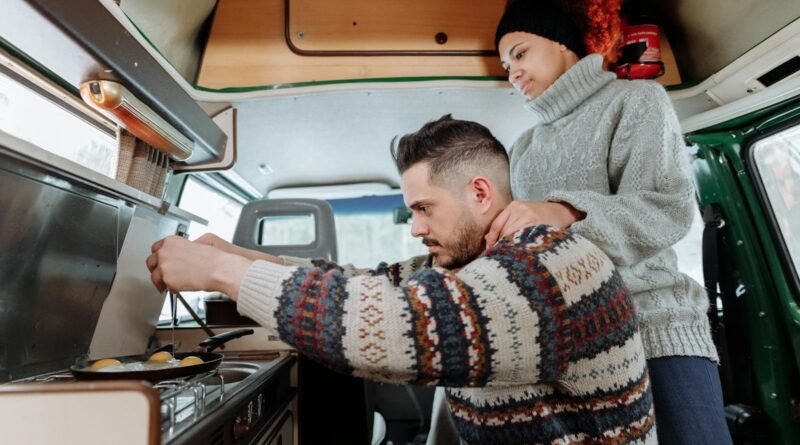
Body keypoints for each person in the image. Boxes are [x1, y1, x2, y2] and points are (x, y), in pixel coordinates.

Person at [148, 115, 656, 444]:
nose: (415, 228)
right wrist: (234, 254)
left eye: (424, 209)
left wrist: (219, 273)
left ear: (480, 193)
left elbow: (391, 327)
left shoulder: (546, 267)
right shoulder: (474, 263)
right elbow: (366, 282)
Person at [488, 1, 730, 443]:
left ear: (563, 44)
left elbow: (667, 208)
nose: (512, 73)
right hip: (572, 348)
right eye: (505, 65)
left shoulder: (636, 100)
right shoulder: (522, 148)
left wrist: (565, 212)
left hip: (655, 328)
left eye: (520, 54)